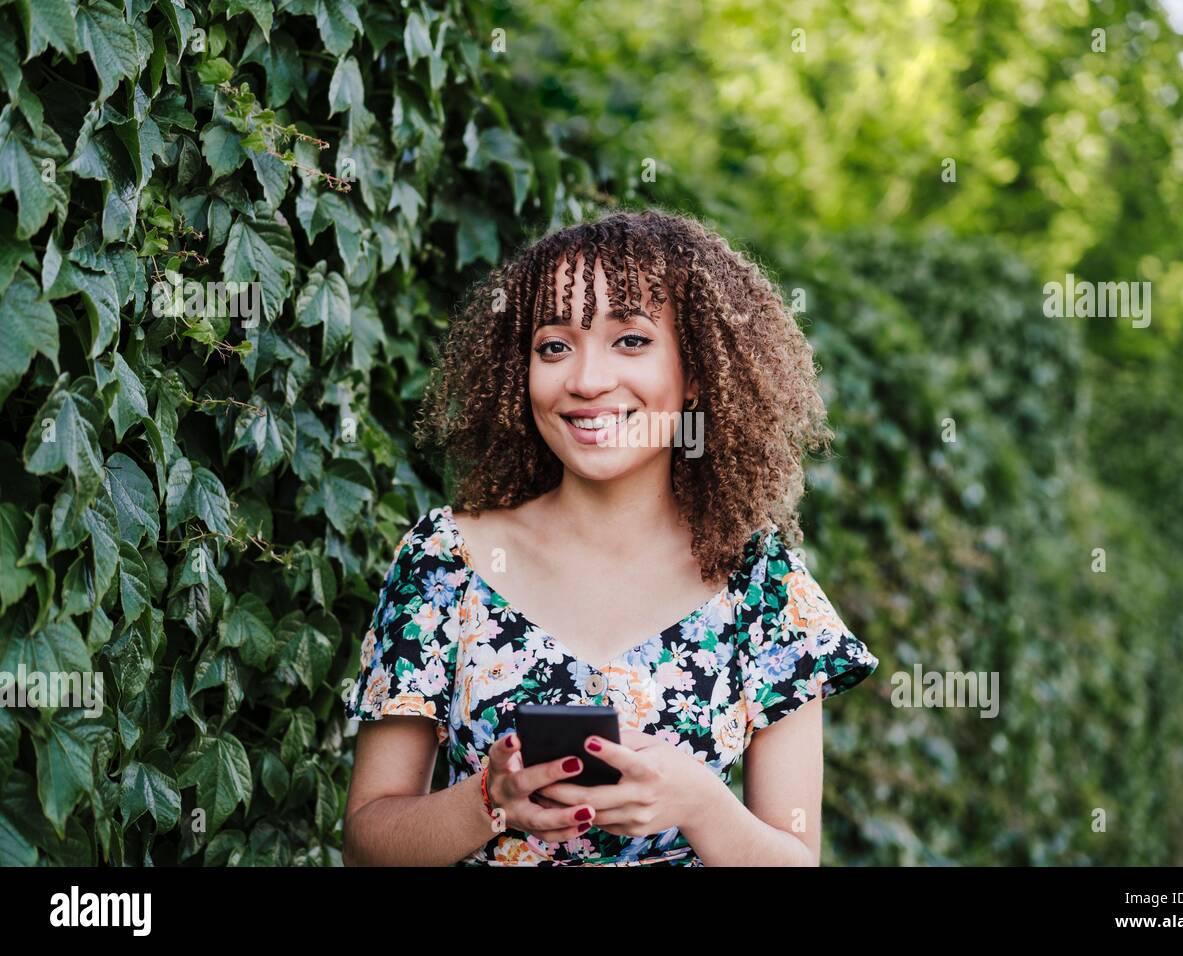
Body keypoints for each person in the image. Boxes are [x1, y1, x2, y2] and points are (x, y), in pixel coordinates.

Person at [341, 208, 879, 866]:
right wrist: (491, 798)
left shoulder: (764, 587)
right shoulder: (444, 561)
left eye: (630, 340)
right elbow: (369, 844)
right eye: (554, 346)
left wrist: (699, 804)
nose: (588, 380)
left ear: (698, 370)